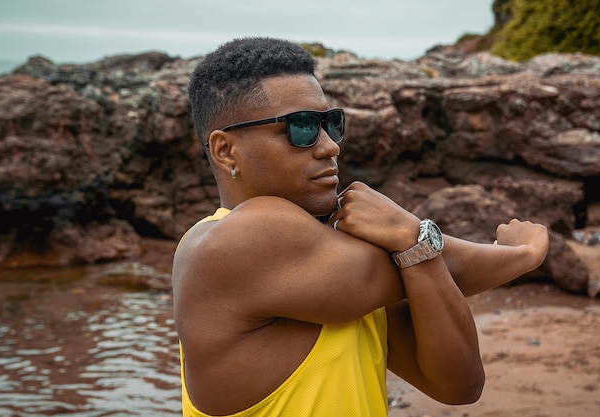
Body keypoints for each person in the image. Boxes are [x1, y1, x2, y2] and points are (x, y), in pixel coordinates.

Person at [172, 37, 549, 417]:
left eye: (330, 123)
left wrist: (413, 245)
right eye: (300, 127)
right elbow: (451, 265)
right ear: (225, 150)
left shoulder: (336, 269)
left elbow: (460, 384)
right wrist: (519, 255)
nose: (330, 147)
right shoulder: (232, 241)